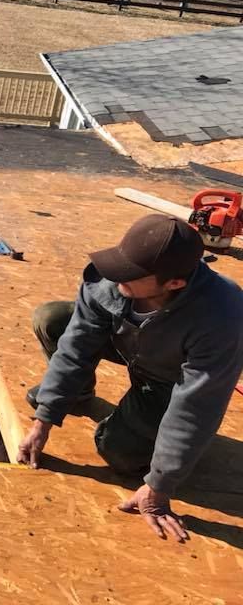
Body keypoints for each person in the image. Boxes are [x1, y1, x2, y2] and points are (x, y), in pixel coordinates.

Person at [18, 214, 243, 543]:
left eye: (130, 273)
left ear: (174, 283)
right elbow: (75, 348)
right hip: (129, 342)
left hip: (169, 378)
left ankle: (140, 423)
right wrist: (45, 418)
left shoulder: (222, 318)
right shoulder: (109, 281)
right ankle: (78, 395)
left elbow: (195, 407)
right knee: (52, 320)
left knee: (117, 452)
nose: (114, 275)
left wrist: (158, 488)